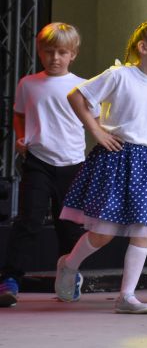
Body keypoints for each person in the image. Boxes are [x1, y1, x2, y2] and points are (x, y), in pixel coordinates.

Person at [56, 21, 147, 313]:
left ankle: (126, 296)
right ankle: (69, 264)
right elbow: (76, 96)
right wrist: (97, 130)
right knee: (103, 233)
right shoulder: (119, 75)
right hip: (117, 159)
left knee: (143, 230)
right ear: (143, 47)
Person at [0, 23, 88, 308]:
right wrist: (21, 137)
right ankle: (10, 279)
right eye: (49, 52)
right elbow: (19, 114)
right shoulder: (28, 84)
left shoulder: (83, 86)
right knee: (29, 220)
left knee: (69, 226)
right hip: (38, 161)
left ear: (73, 54)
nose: (55, 58)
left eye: (62, 52)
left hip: (73, 163)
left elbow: (94, 122)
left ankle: (68, 276)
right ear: (39, 52)